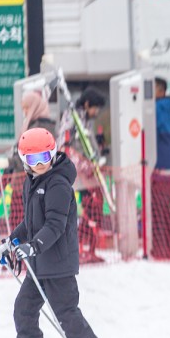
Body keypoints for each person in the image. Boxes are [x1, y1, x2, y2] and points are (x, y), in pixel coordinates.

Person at [0, 128, 109, 338]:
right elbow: (30, 224)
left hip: (58, 265)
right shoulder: (32, 182)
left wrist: (33, 247)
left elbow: (54, 225)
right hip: (39, 265)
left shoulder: (58, 184)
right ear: (25, 162)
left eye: (44, 157)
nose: (41, 164)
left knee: (66, 313)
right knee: (24, 309)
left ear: (53, 153)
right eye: (33, 160)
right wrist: (10, 243)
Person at [65, 87, 108, 263]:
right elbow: (68, 146)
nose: (96, 112)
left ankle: (90, 248)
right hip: (81, 174)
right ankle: (82, 249)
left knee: (95, 209)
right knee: (90, 208)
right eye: (95, 108)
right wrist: (84, 165)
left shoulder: (85, 121)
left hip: (90, 173)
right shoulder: (73, 118)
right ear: (87, 103)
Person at [152, 77, 170, 259]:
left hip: (161, 168)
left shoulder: (156, 109)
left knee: (159, 210)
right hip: (168, 167)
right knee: (162, 209)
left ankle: (167, 249)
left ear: (161, 90)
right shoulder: (166, 108)